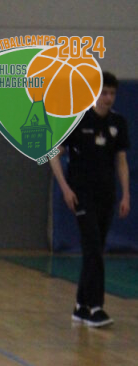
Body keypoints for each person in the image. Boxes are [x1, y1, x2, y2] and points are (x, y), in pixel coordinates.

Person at [49, 72, 130, 328]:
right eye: (104, 92)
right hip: (81, 195)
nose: (108, 98)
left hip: (107, 195)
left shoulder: (118, 122)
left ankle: (80, 306)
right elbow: (53, 155)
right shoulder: (77, 121)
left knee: (94, 250)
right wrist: (65, 188)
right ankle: (96, 307)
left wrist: (126, 194)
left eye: (112, 93)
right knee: (93, 248)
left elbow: (121, 161)